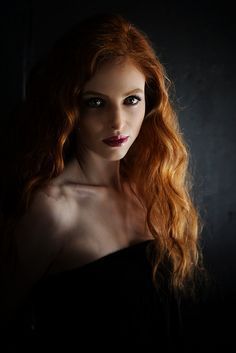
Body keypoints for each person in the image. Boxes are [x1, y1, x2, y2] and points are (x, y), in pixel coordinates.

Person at [0, 12, 220, 353]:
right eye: (96, 102)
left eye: (131, 99)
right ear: (68, 106)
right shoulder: (53, 209)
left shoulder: (153, 189)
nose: (118, 122)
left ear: (149, 100)